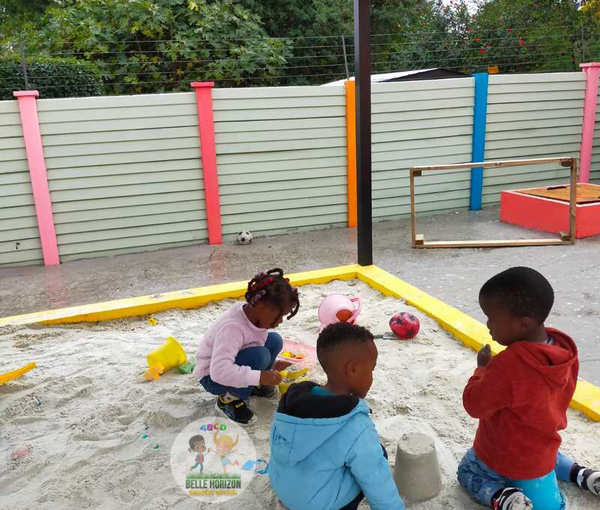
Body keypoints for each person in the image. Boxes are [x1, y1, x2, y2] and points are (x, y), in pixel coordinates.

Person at [458, 267, 600, 510]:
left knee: (467, 471)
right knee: (550, 500)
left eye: (491, 317)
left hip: (500, 456)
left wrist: (482, 369)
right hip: (540, 457)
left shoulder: (509, 365)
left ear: (523, 324)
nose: (488, 324)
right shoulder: (564, 350)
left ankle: (504, 496)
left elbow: (474, 405)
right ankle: (582, 475)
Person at [269, 322, 405, 510]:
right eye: (372, 369)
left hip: (286, 492)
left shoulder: (290, 403)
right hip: (319, 506)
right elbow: (378, 482)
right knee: (377, 453)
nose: (372, 376)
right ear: (353, 369)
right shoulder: (355, 425)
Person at [193, 268, 300, 425]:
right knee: (260, 355)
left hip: (234, 362)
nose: (280, 321)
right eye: (279, 316)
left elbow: (252, 344)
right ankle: (229, 399)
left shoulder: (256, 316)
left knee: (275, 340)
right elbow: (218, 371)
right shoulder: (233, 327)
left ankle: (257, 387)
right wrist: (259, 376)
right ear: (262, 308)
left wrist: (274, 365)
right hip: (212, 377)